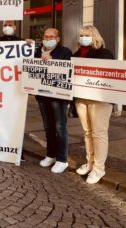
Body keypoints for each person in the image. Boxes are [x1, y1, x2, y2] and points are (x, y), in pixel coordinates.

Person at [72, 25, 114, 184]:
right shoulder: (77, 54)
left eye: (86, 35)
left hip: (100, 100)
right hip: (82, 98)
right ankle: (90, 162)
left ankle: (99, 168)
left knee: (99, 133)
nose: (83, 38)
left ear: (94, 36)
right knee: (87, 132)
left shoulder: (104, 53)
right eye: (81, 35)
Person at [34, 28, 72, 173]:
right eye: (46, 36)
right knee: (48, 126)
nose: (48, 38)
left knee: (60, 128)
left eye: (51, 36)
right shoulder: (37, 51)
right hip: (42, 95)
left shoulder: (65, 52)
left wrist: (53, 61)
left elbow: (68, 69)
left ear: (57, 38)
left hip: (58, 97)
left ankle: (62, 159)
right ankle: (51, 154)